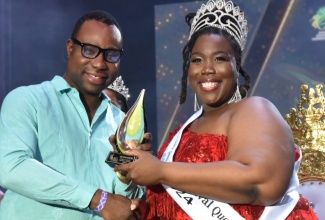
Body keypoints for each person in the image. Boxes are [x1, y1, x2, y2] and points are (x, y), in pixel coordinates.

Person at [115, 0, 319, 219]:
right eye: (197, 60)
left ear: (236, 65)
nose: (207, 69)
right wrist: (150, 209)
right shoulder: (184, 130)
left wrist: (160, 171)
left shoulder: (254, 109)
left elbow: (262, 184)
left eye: (220, 58)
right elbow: (183, 193)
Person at [0, 10, 149, 220]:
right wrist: (98, 199)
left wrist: (129, 173)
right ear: (70, 48)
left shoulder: (119, 122)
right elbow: (12, 167)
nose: (100, 63)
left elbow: (124, 203)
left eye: (111, 54)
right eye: (90, 50)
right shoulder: (27, 100)